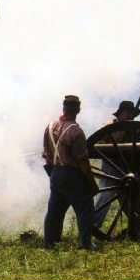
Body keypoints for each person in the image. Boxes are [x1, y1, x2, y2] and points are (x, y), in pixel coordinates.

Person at [43, 95, 99, 249]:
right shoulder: (76, 131)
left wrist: (54, 176)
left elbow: (46, 155)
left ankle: (50, 243)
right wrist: (92, 184)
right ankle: (86, 244)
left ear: (64, 108)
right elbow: (83, 162)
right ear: (78, 110)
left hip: (55, 173)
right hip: (72, 174)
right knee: (85, 208)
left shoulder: (49, 126)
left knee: (54, 211)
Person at [94, 101, 139, 230]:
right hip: (111, 165)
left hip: (127, 168)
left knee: (128, 196)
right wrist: (123, 131)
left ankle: (137, 224)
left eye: (132, 113)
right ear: (121, 113)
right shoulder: (109, 126)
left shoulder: (134, 127)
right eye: (128, 113)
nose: (131, 116)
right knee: (105, 195)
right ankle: (94, 224)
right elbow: (101, 142)